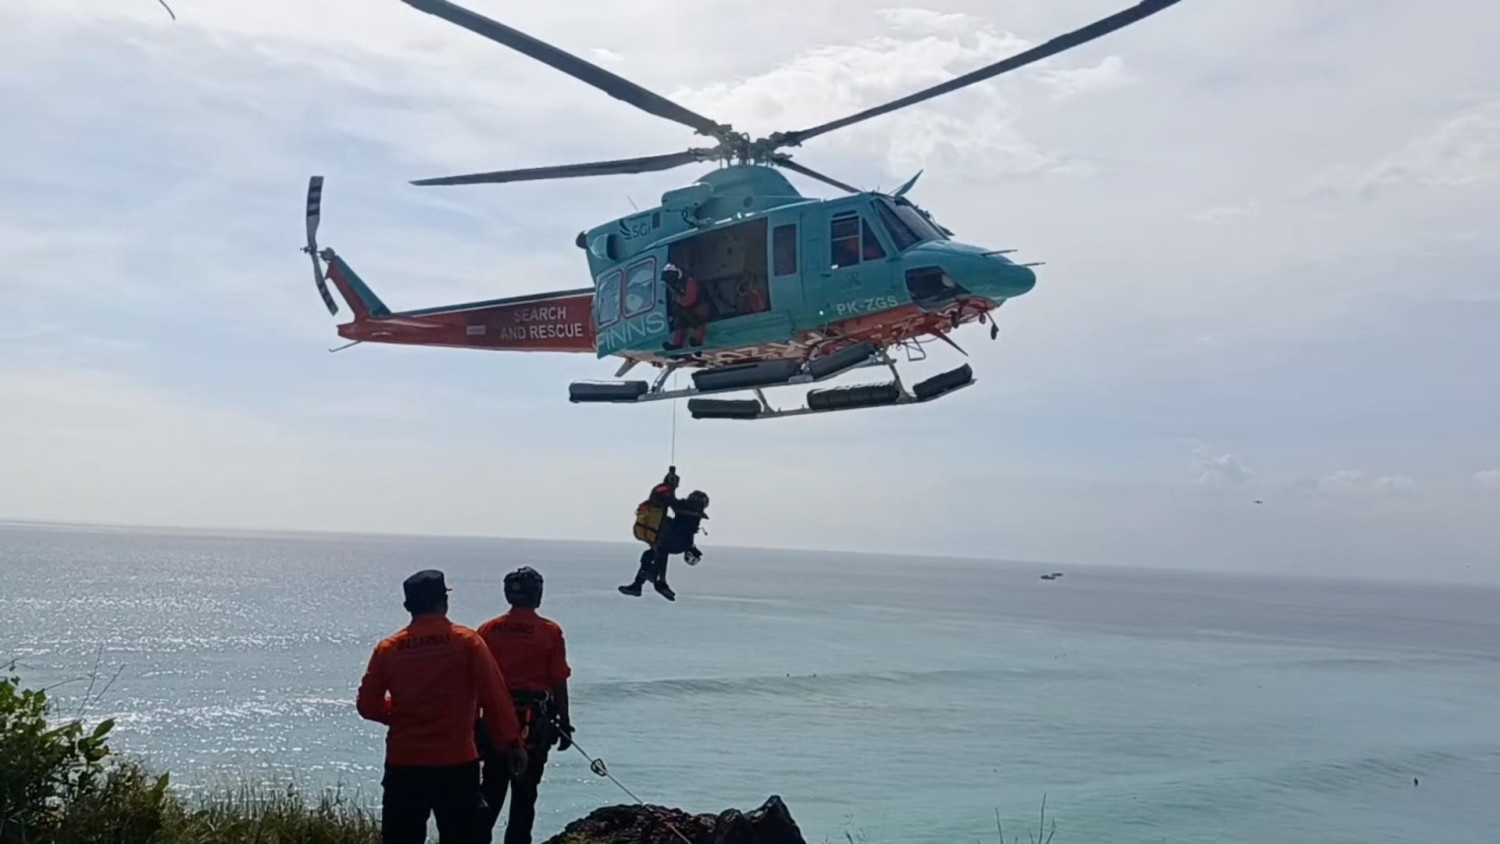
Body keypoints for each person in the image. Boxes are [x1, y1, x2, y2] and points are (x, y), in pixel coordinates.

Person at [357, 570, 528, 844]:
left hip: (403, 764)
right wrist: (512, 743)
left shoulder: (388, 648)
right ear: (444, 602)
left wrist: (400, 713)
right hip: (456, 763)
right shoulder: (466, 642)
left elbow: (367, 706)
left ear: (407, 606)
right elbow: (495, 698)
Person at [474, 567, 573, 844]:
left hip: (493, 722)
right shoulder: (549, 631)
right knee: (525, 797)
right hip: (532, 724)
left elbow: (476, 679)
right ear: (537, 593)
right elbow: (558, 680)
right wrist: (564, 721)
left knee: (490, 791)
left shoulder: (487, 630)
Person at [621, 467, 683, 600]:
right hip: (657, 528)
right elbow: (673, 504)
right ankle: (658, 580)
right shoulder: (664, 491)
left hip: (654, 527)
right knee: (660, 552)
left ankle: (638, 584)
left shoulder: (662, 490)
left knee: (650, 554)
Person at [662, 263, 712, 350]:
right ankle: (677, 344)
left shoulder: (689, 281)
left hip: (702, 306)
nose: (669, 281)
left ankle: (698, 341)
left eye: (669, 278)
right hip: (690, 308)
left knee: (692, 318)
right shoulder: (674, 287)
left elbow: (691, 299)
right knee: (680, 319)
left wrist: (680, 304)